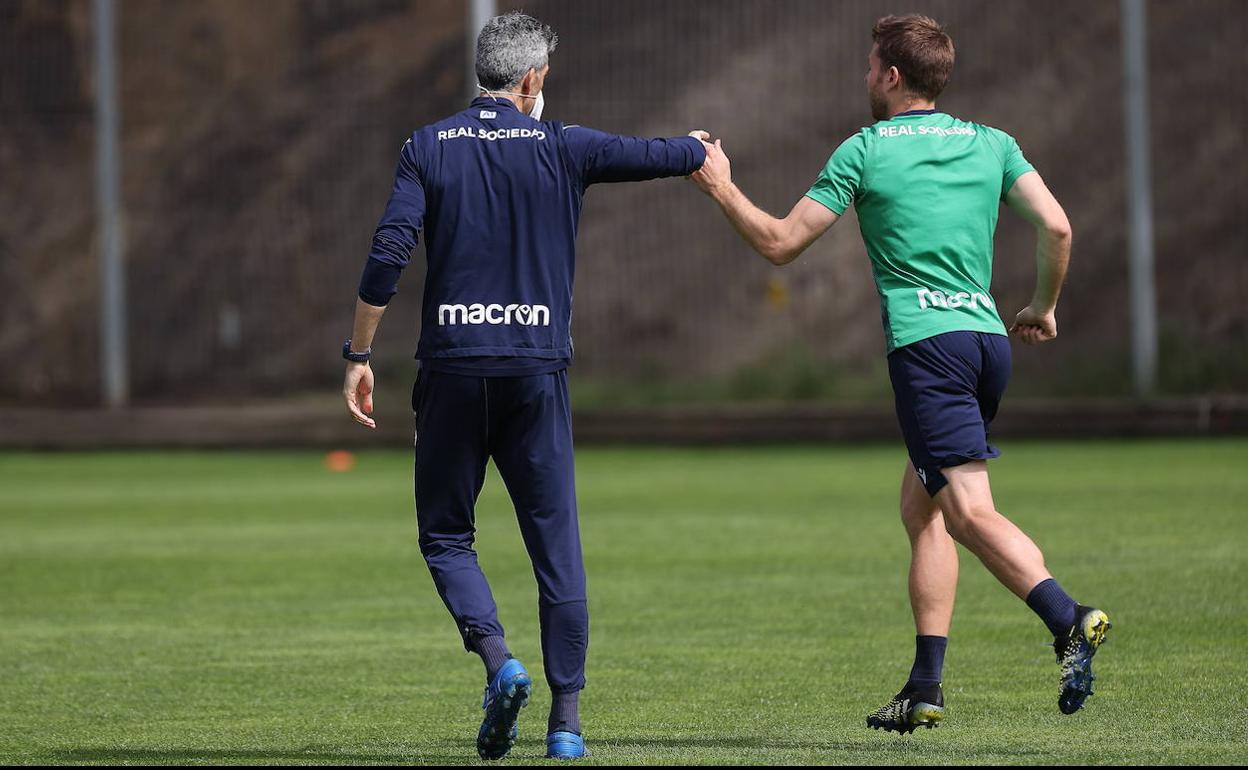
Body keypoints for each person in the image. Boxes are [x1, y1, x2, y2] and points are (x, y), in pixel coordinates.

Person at [689, 14, 1109, 734]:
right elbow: (1058, 226)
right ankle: (923, 686)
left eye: (868, 66)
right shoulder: (993, 143)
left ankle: (1068, 617)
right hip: (985, 344)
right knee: (924, 508)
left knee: (968, 511)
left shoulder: (866, 150)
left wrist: (720, 186)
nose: (864, 76)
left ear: (890, 75)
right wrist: (1043, 306)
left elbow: (781, 242)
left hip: (928, 350)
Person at [339, 11, 707, 761]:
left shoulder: (426, 145)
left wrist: (359, 353)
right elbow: (656, 154)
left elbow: (389, 250)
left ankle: (498, 660)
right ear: (533, 77)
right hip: (535, 374)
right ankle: (566, 724)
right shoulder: (564, 145)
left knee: (447, 535)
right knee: (556, 548)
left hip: (452, 371)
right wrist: (699, 149)